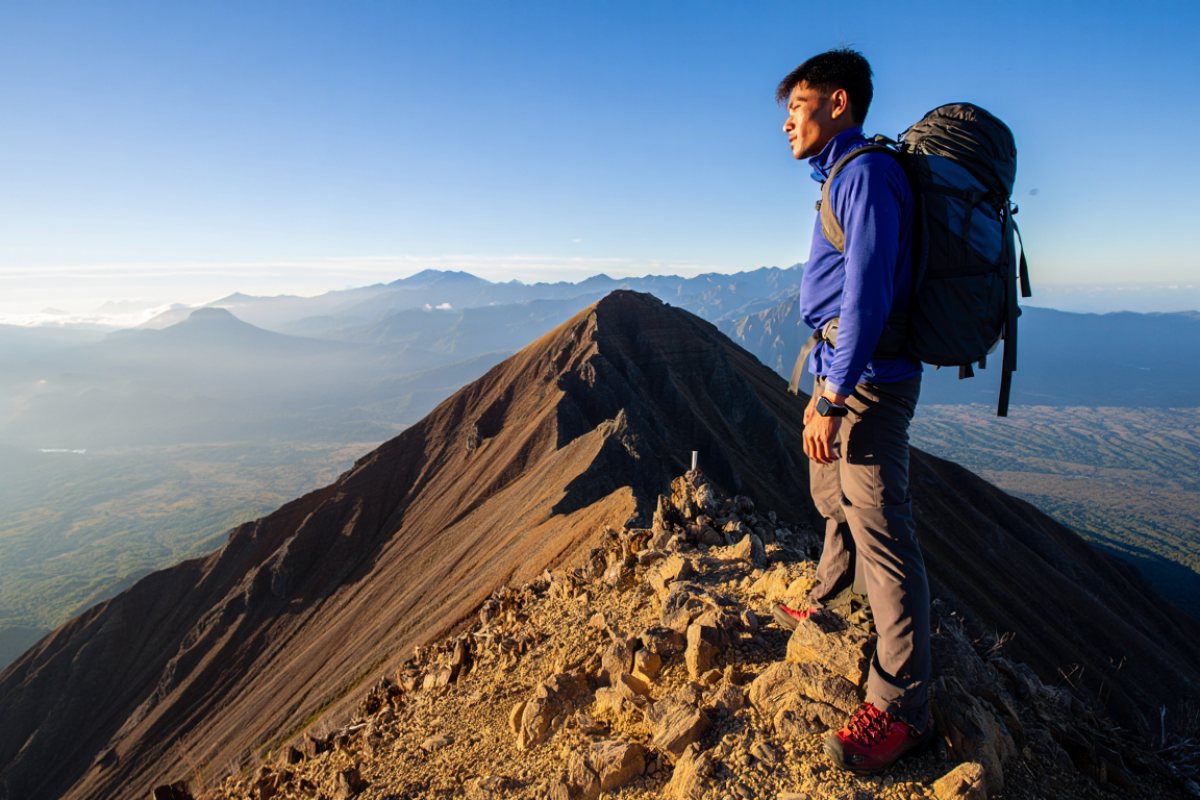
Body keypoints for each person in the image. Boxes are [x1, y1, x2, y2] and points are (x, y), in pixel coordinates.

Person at [772, 49, 935, 774]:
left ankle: (903, 706)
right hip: (845, 369)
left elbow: (868, 293)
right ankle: (830, 598)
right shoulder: (842, 176)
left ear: (838, 102)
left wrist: (835, 397)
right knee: (830, 490)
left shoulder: (864, 174)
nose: (786, 123)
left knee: (883, 530)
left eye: (797, 106)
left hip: (866, 379)